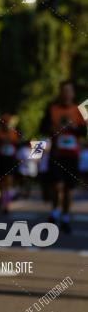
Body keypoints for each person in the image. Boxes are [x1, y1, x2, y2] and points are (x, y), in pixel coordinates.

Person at [40, 80, 86, 232]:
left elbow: (85, 132)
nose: (66, 94)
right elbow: (43, 127)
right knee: (56, 185)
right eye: (64, 91)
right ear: (60, 93)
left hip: (72, 155)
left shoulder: (80, 110)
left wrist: (75, 128)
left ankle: (65, 217)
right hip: (57, 154)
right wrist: (54, 129)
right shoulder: (52, 109)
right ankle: (54, 212)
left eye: (69, 91)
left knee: (68, 189)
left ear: (73, 94)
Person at [0, 114, 20, 214]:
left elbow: (19, 143)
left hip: (11, 160)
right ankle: (1, 198)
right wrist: (1, 142)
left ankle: (6, 204)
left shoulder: (14, 133)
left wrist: (11, 141)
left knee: (8, 182)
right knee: (0, 183)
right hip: (0, 159)